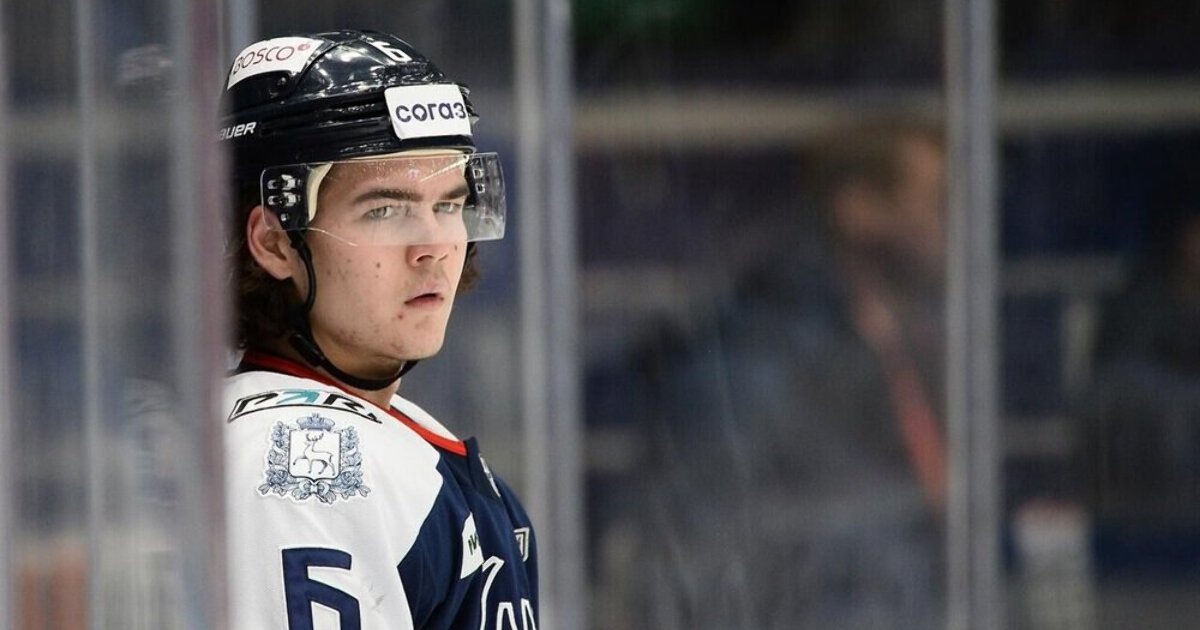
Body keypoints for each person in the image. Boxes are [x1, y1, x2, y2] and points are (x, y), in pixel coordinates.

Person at [220, 30, 537, 629]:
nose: (434, 246)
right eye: (384, 210)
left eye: (448, 205)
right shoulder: (301, 466)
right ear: (275, 242)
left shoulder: (402, 446)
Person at [590, 118, 946, 628]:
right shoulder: (754, 367)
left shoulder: (920, 348)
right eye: (937, 202)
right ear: (860, 209)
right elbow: (695, 563)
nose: (956, 226)